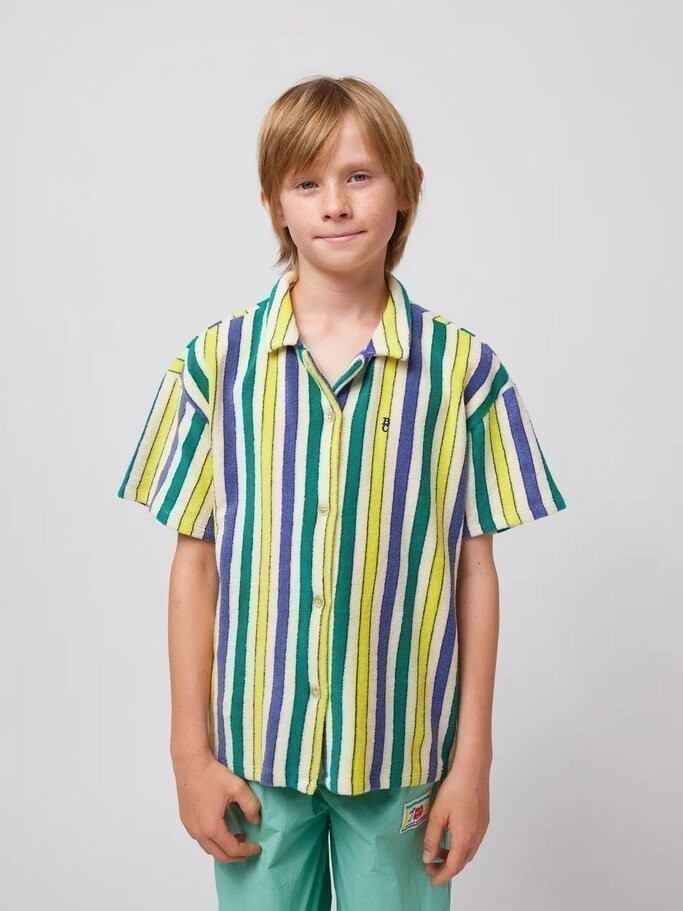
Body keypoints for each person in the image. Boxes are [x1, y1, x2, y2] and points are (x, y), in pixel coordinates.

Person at [116, 75, 568, 910]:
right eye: (306, 182)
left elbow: (474, 570)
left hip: (402, 754)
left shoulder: (463, 372)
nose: (334, 203)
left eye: (359, 176)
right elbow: (194, 566)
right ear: (271, 204)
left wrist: (472, 762)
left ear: (407, 187)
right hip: (254, 755)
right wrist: (188, 752)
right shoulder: (213, 367)